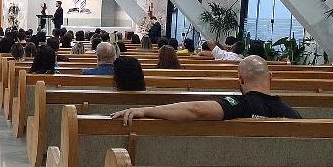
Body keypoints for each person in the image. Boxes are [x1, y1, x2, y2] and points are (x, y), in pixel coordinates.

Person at [110, 55, 302, 125]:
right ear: (270, 78)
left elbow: (196, 110)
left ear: (241, 80)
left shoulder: (240, 105)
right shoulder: (293, 115)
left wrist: (144, 110)